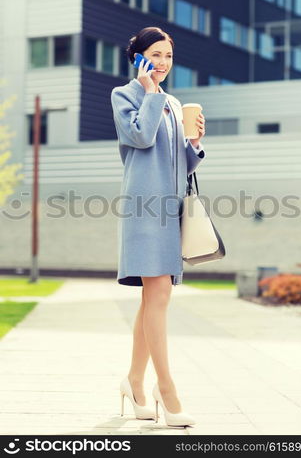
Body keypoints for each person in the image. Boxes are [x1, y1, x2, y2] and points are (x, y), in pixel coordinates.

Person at [110, 26, 206, 427]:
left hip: (170, 210)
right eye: (156, 54)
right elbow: (140, 136)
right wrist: (150, 93)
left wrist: (195, 144)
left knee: (154, 298)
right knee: (159, 293)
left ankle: (134, 382)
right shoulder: (126, 95)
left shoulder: (173, 101)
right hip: (143, 209)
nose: (164, 63)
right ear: (138, 57)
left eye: (168, 55)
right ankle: (165, 390)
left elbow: (180, 163)